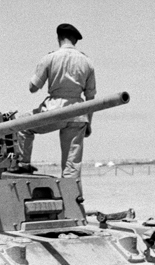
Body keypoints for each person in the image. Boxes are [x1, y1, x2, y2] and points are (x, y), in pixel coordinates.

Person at [13, 23, 96, 178]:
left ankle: (23, 165)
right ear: (75, 41)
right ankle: (73, 196)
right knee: (72, 165)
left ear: (59, 38)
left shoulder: (50, 58)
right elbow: (90, 98)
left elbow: (33, 88)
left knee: (21, 125)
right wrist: (88, 124)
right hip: (78, 113)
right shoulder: (87, 62)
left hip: (54, 109)